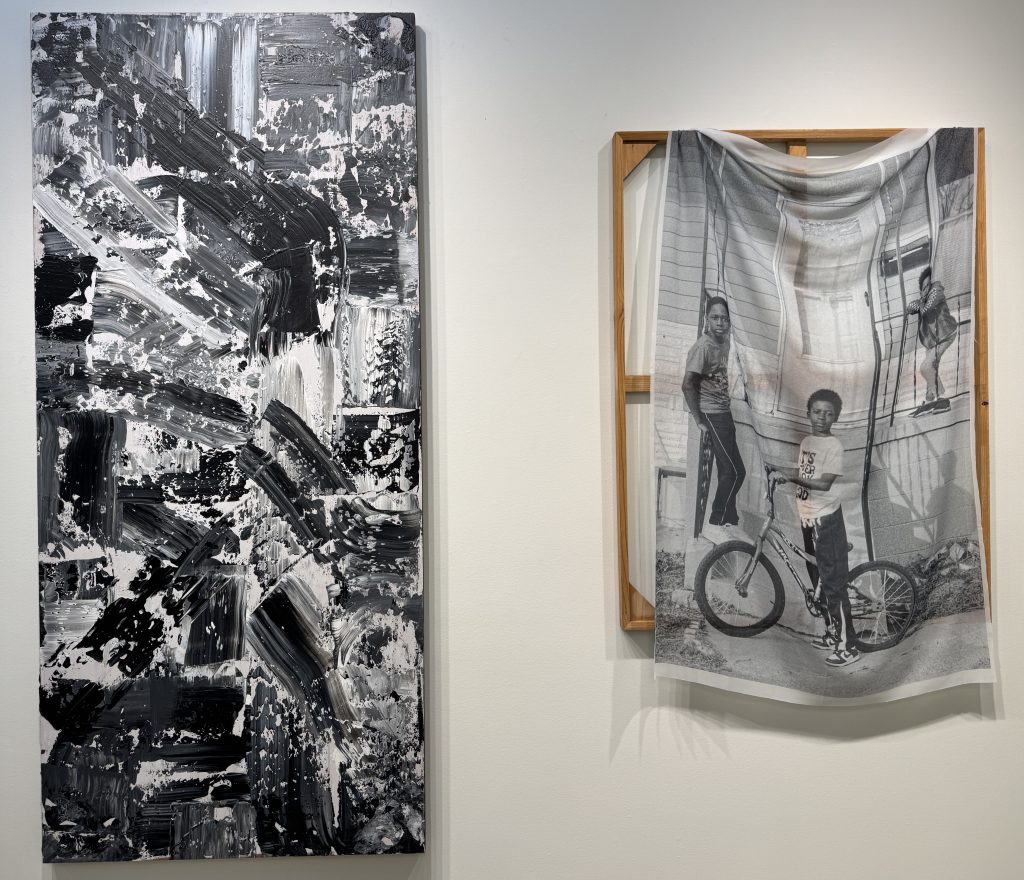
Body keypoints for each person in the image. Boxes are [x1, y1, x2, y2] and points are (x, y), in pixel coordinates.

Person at [772, 389, 859, 668]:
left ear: (836, 418)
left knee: (833, 585)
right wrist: (782, 473)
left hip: (827, 519)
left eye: (828, 413)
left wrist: (789, 476)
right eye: (817, 412)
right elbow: (805, 475)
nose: (822, 417)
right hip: (808, 518)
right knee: (818, 581)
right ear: (808, 413)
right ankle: (833, 633)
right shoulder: (807, 441)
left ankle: (848, 646)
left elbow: (823, 483)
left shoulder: (834, 446)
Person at [682, 296, 746, 544]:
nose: (720, 323)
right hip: (712, 413)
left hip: (724, 412)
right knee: (731, 472)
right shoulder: (703, 348)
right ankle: (713, 523)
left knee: (738, 471)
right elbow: (687, 384)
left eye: (724, 319)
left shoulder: (725, 342)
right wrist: (699, 419)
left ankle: (729, 518)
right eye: (715, 317)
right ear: (707, 319)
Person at [907, 267, 957, 417]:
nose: (927, 289)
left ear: (931, 283)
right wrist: (920, 302)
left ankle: (943, 399)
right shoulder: (925, 297)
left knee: (926, 367)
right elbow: (909, 307)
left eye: (928, 285)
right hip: (932, 340)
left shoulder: (936, 291)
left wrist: (921, 303)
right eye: (923, 288)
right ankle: (929, 401)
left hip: (945, 334)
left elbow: (926, 310)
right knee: (931, 368)